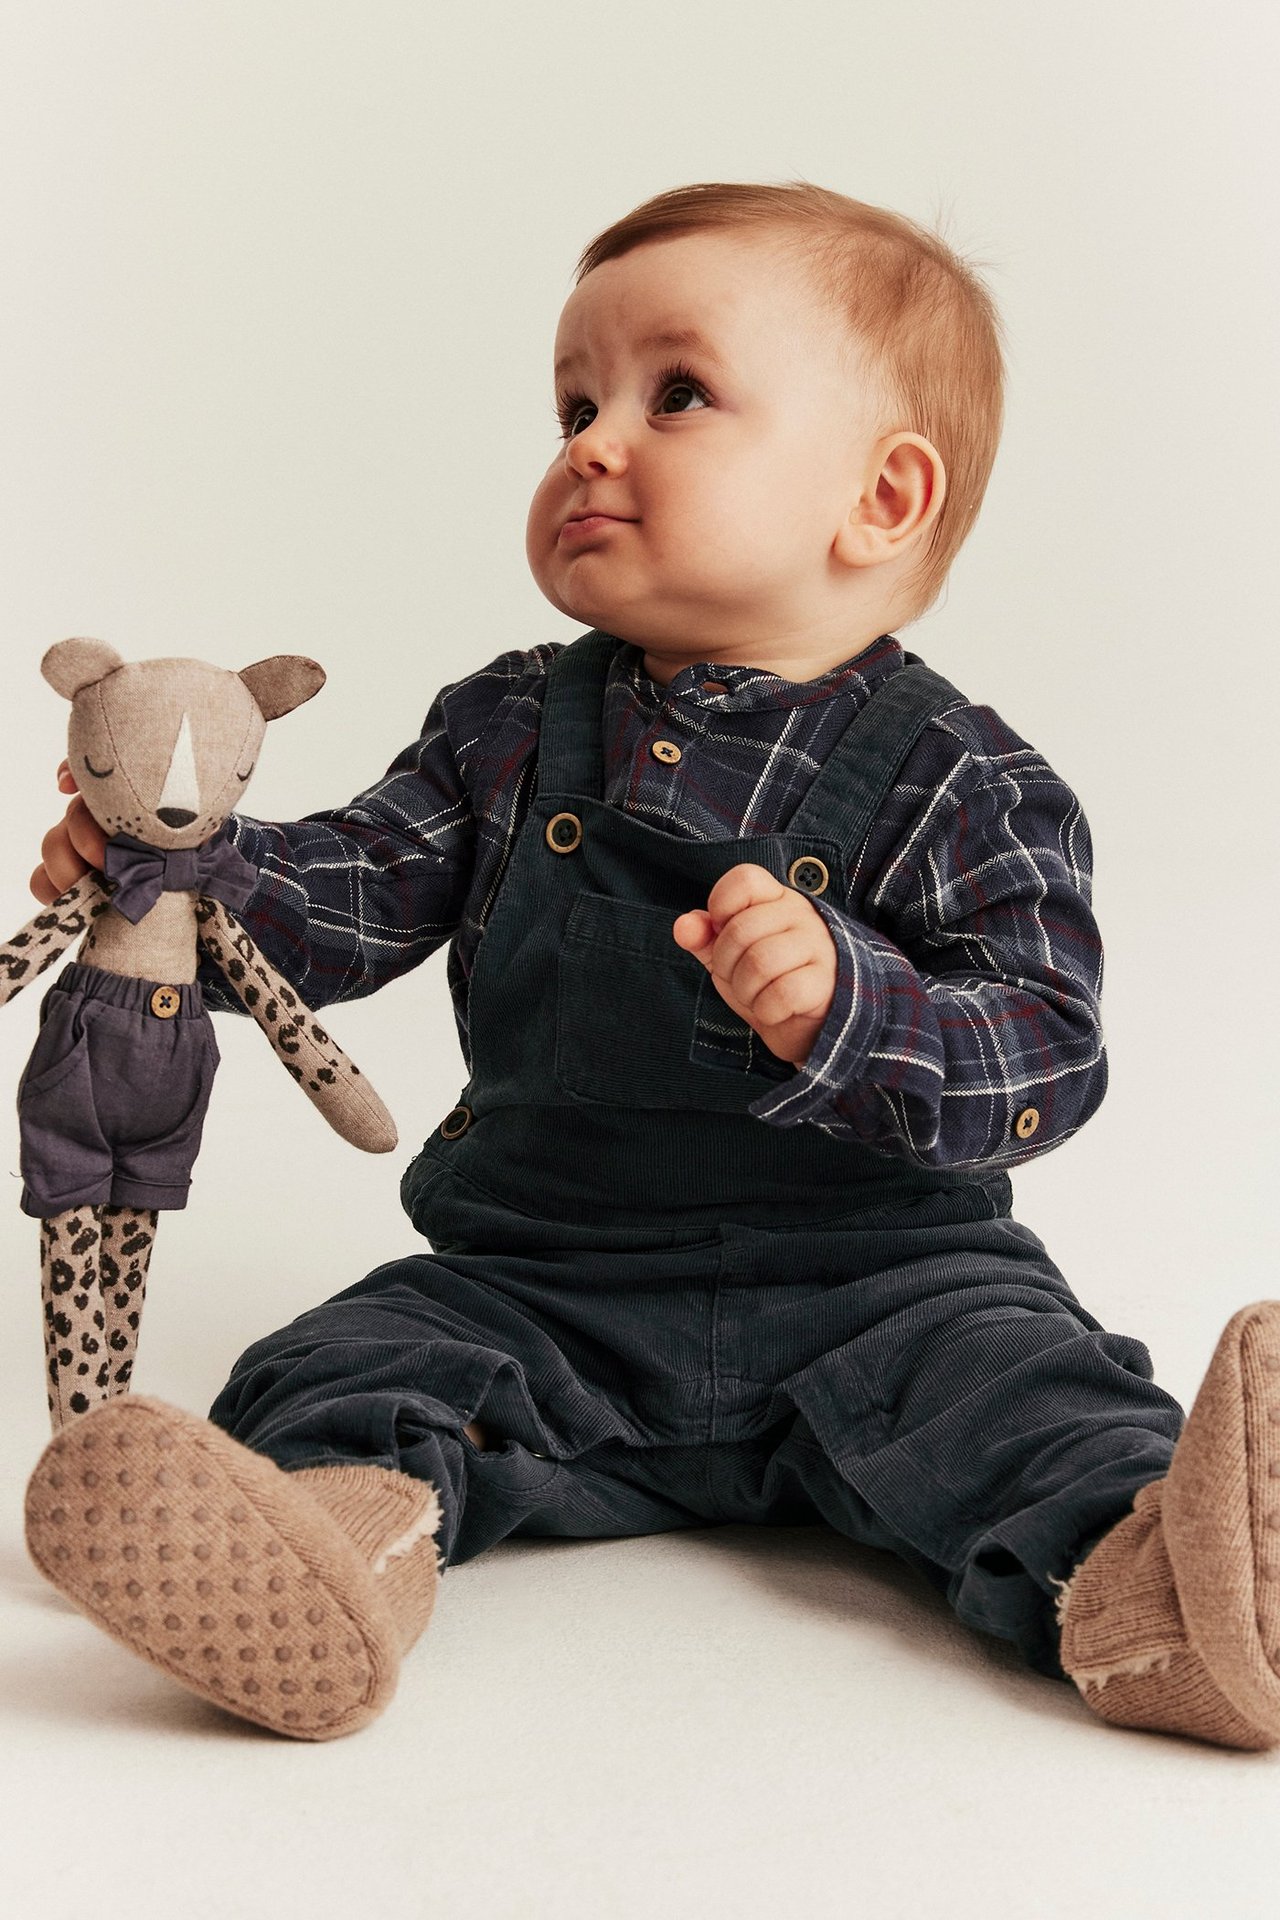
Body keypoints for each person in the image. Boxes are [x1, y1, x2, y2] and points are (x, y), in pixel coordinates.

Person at [22, 180, 1280, 1751]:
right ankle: (329, 1560)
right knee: (347, 1367)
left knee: (1035, 1407)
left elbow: (1047, 1052)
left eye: (674, 394)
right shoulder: (505, 726)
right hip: (542, 1280)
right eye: (572, 402)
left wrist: (856, 1004)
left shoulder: (967, 783)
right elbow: (348, 895)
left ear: (881, 500)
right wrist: (183, 879)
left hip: (885, 1286)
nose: (589, 443)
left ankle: (1165, 1603)